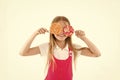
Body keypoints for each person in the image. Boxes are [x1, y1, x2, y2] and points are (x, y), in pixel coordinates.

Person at [20, 16, 101, 80]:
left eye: (65, 28)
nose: (62, 32)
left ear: (70, 31)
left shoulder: (74, 48)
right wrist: (35, 33)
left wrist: (83, 38)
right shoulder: (47, 47)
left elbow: (96, 54)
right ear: (52, 31)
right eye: (57, 28)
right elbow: (23, 53)